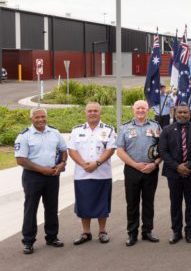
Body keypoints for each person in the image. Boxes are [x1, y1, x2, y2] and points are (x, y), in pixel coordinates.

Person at [15, 108, 68, 255]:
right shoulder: (24, 136)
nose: (40, 119)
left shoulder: (54, 132)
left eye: (43, 116)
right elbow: (21, 160)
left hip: (52, 175)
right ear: (31, 119)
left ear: (47, 117)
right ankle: (28, 241)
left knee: (52, 207)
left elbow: (63, 149)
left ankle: (52, 237)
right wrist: (41, 170)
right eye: (37, 117)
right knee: (31, 208)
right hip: (33, 177)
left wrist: (62, 163)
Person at [67, 102, 117, 245]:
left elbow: (111, 149)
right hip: (82, 174)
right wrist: (83, 164)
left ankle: (102, 231)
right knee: (84, 204)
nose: (93, 113)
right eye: (90, 111)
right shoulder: (76, 130)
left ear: (100, 113)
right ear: (85, 113)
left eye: (95, 111)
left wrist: (97, 163)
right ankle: (86, 232)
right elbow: (72, 150)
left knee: (102, 203)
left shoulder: (108, 129)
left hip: (102, 174)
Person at [115, 100, 163, 246]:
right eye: (138, 108)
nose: (140, 110)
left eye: (143, 108)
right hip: (132, 169)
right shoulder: (125, 127)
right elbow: (120, 150)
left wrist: (154, 164)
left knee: (149, 202)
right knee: (132, 203)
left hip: (151, 169)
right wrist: (135, 165)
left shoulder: (156, 126)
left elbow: (163, 149)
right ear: (133, 110)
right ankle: (132, 233)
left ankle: (147, 231)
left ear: (148, 110)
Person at [158, 103, 191, 244]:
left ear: (189, 114)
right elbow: (163, 151)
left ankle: (190, 231)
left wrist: (188, 166)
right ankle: (176, 231)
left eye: (185, 112)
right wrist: (177, 166)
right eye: (180, 112)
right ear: (175, 113)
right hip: (173, 173)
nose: (182, 115)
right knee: (175, 202)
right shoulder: (167, 130)